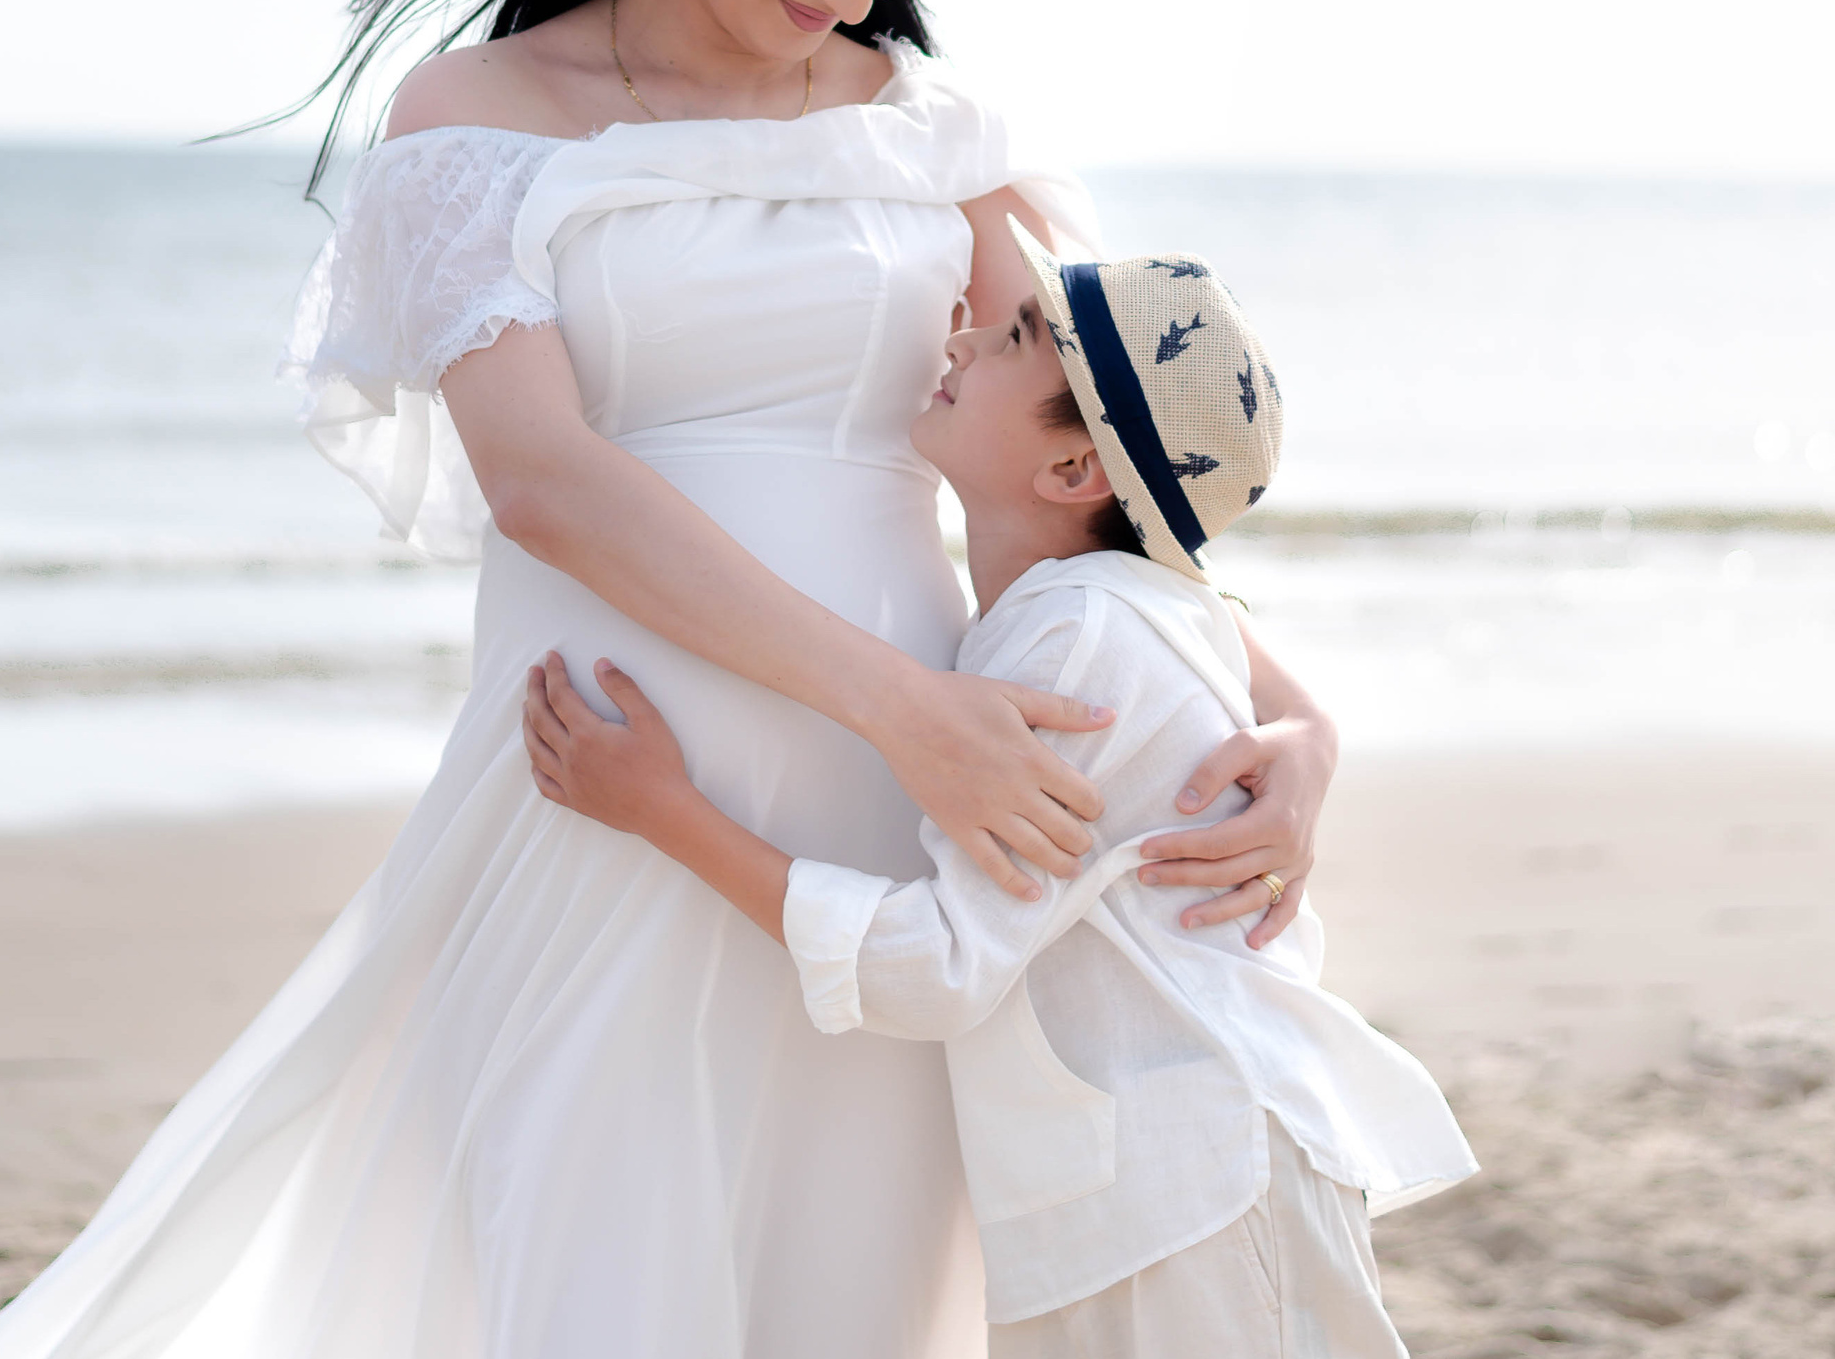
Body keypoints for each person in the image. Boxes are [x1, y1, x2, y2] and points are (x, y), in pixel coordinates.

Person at [0, 0, 1347, 1359]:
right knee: (578, 1244)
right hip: (619, 760)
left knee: (853, 1276)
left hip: (895, 805)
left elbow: (1096, 463)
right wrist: (912, 713)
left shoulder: (933, 135)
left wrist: (1296, 722)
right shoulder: (479, 117)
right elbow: (544, 482)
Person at [524, 225, 1477, 1358]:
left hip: (1192, 1190)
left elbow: (934, 969)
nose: (964, 333)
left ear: (1074, 471)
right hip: (1166, 1185)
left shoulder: (1072, 644)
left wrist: (664, 812)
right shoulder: (1104, 615)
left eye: (1018, 335)